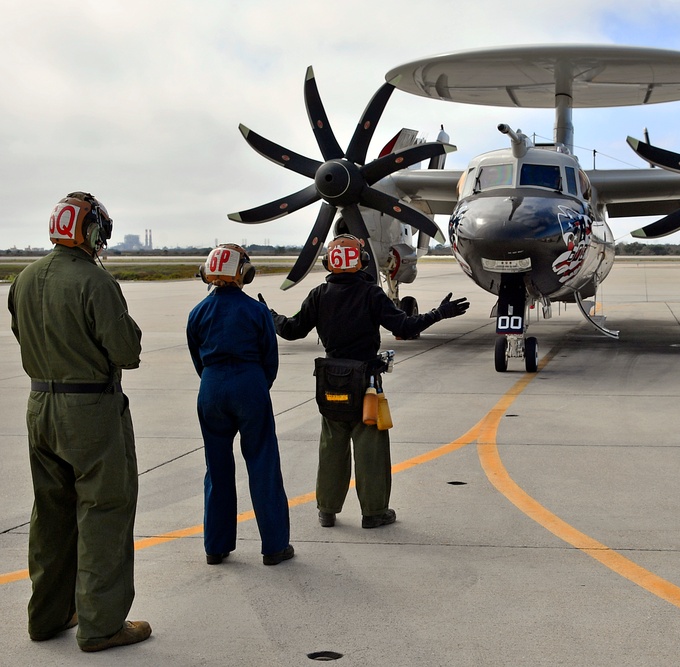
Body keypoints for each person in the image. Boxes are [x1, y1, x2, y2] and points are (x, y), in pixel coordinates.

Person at [7, 192, 151, 652]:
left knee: (50, 514)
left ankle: (47, 616)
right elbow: (127, 353)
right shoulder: (95, 280)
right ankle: (102, 624)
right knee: (104, 509)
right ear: (90, 231)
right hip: (89, 412)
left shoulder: (24, 278)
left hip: (39, 407)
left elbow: (19, 331)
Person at [266, 234, 469, 529]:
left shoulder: (319, 295)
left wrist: (269, 315)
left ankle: (327, 510)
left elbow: (292, 329)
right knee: (370, 449)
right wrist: (439, 313)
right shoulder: (371, 294)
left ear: (329, 263)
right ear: (361, 262)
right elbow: (404, 325)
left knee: (331, 448)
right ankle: (374, 512)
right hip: (366, 384)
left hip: (330, 383)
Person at [186, 244, 293, 566]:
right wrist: (257, 385)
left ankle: (215, 547)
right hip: (250, 385)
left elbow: (196, 359)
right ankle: (274, 547)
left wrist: (214, 381)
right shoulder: (256, 310)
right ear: (244, 273)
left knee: (216, 469)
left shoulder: (198, 312)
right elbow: (269, 359)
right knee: (263, 465)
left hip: (211, 388)